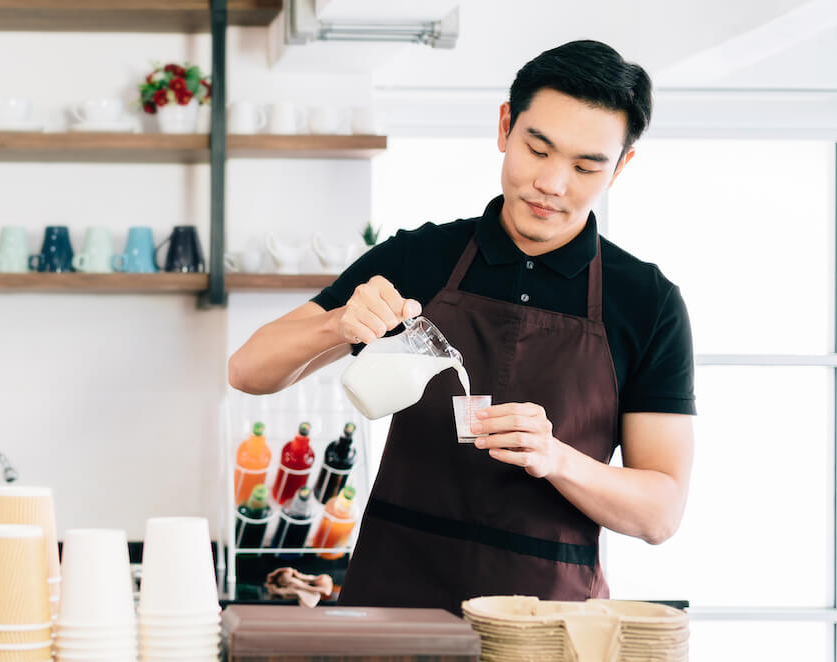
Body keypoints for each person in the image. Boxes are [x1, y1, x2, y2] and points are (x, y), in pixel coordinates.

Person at [227, 41, 694, 611]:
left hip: (546, 630)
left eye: (585, 165)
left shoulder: (646, 303)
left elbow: (660, 512)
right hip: (393, 610)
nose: (552, 182)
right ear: (504, 127)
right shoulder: (419, 259)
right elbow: (247, 370)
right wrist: (338, 324)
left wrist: (557, 458)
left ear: (619, 167)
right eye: (537, 148)